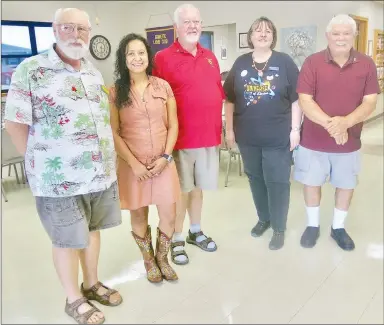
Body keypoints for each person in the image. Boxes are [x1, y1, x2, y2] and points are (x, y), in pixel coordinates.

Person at [4, 8, 123, 325]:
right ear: (55, 30)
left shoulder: (92, 71)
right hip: (58, 179)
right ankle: (74, 300)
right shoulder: (31, 70)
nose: (77, 34)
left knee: (93, 232)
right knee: (67, 240)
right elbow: (15, 124)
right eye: (68, 27)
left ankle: (92, 283)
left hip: (99, 175)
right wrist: (38, 164)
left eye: (82, 29)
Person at [294, 14, 380, 250]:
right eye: (336, 33)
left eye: (346, 33)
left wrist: (346, 123)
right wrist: (334, 126)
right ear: (327, 36)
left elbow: (370, 102)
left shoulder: (366, 64)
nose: (341, 38)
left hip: (349, 142)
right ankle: (313, 226)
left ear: (354, 35)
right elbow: (305, 100)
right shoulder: (312, 62)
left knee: (345, 185)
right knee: (311, 183)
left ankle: (338, 228)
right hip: (313, 141)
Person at [153, 3, 225, 264]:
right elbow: (157, 100)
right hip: (181, 140)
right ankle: (177, 238)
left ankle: (196, 231)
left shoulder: (209, 56)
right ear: (176, 28)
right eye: (187, 22)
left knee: (198, 189)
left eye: (196, 21)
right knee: (181, 191)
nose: (193, 26)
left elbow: (217, 91)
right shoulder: (162, 58)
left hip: (208, 137)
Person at [223, 16, 302, 250]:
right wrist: (229, 131)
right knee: (256, 180)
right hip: (248, 138)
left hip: (278, 137)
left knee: (277, 182)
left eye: (268, 31)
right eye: (258, 30)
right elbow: (229, 99)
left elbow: (297, 100)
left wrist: (295, 130)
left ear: (273, 37)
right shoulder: (240, 63)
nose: (263, 34)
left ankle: (279, 227)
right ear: (250, 36)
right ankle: (264, 219)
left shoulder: (285, 62)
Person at [109, 33, 179, 282]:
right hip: (133, 166)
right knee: (138, 215)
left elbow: (173, 125)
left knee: (169, 215)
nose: (137, 58)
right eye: (131, 53)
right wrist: (135, 164)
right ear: (123, 58)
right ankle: (149, 262)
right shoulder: (116, 91)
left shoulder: (163, 86)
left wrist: (166, 156)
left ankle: (163, 259)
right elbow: (114, 132)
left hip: (163, 163)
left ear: (148, 56)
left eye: (141, 53)